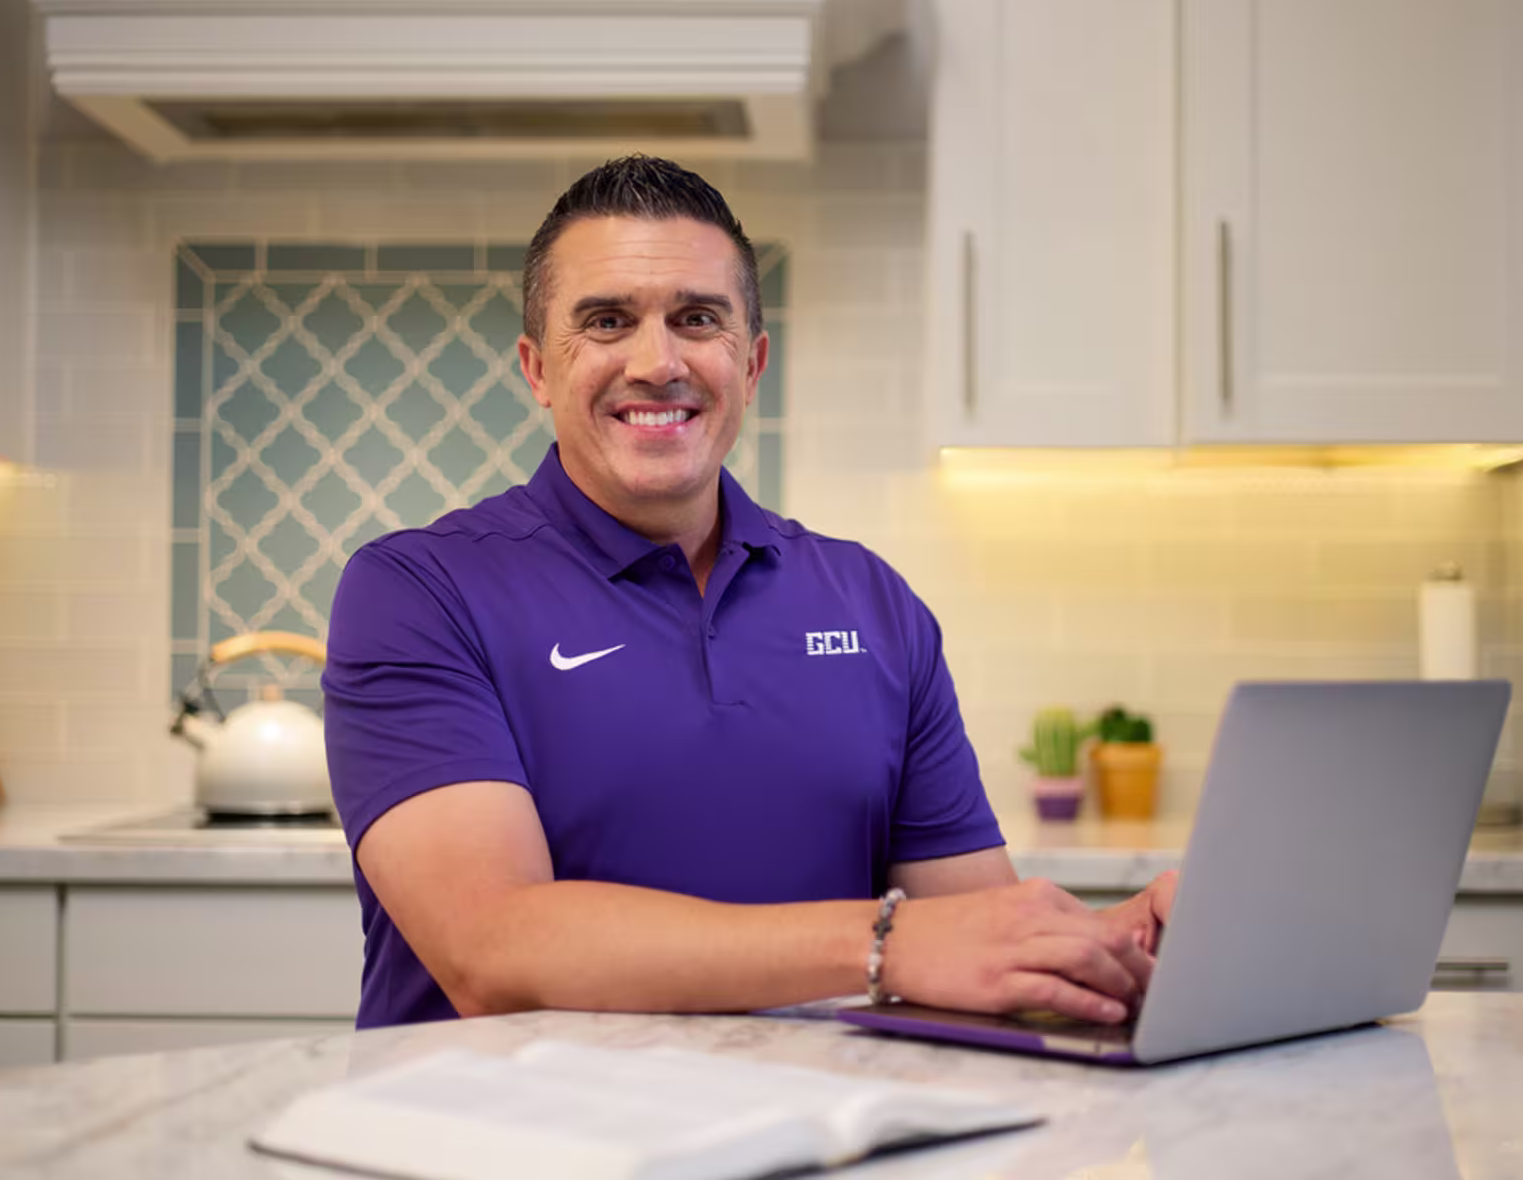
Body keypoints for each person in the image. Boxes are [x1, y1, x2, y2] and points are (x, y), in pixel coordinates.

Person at [323, 154, 1177, 1030]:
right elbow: (494, 950)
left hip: (812, 1134)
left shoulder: (872, 604)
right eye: (608, 322)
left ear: (753, 361)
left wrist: (1126, 945)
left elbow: (976, 937)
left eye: (698, 319)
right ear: (538, 369)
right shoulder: (419, 591)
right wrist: (886, 945)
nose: (658, 363)